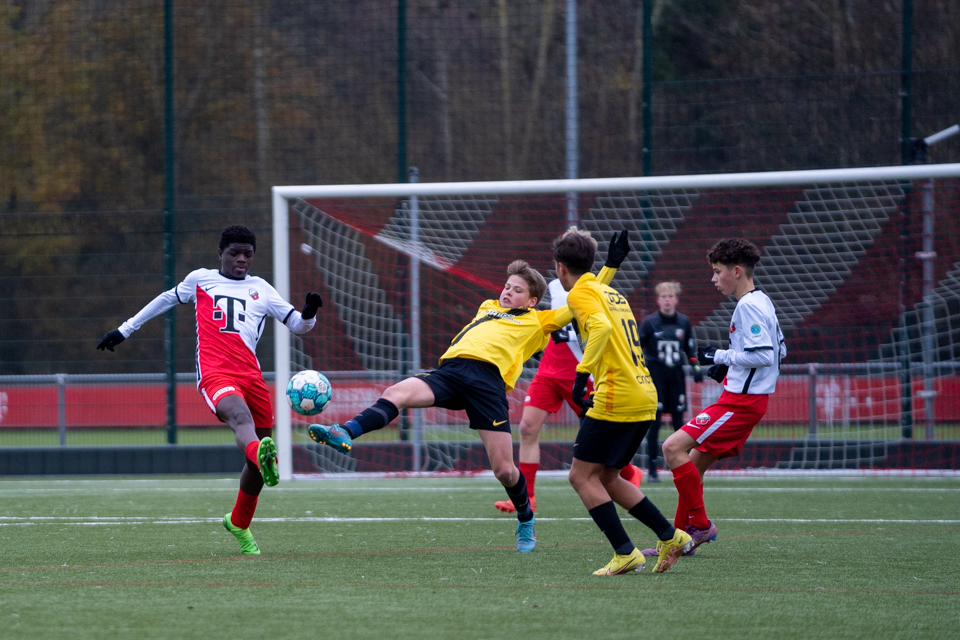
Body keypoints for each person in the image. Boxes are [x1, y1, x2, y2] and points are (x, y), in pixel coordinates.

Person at [308, 231, 632, 553]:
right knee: (397, 392)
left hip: (488, 385)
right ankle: (344, 431)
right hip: (452, 371)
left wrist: (610, 266)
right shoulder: (487, 306)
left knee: (504, 470)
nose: (508, 292)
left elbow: (582, 299)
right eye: (507, 286)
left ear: (532, 301)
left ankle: (526, 516)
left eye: (517, 290)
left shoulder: (540, 321)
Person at [96, 225, 323, 556]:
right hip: (216, 374)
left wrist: (310, 312)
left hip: (252, 377)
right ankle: (262, 457)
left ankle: (239, 522)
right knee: (242, 421)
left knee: (259, 460)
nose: (242, 259)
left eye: (247, 254)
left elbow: (298, 326)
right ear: (221, 253)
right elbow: (165, 299)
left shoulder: (261, 289)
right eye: (235, 253)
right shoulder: (200, 279)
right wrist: (125, 329)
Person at [556, 229, 693, 575]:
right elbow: (594, 293)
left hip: (616, 395)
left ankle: (625, 552)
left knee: (580, 476)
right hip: (644, 392)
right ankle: (671, 535)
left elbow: (600, 327)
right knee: (608, 476)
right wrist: (611, 266)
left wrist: (581, 375)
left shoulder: (580, 294)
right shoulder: (609, 290)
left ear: (560, 268)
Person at [650, 238, 785, 558]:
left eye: (717, 271)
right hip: (743, 397)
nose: (713, 278)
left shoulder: (748, 306)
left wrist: (720, 356)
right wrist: (729, 369)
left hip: (741, 402)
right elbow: (780, 350)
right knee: (693, 465)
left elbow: (764, 355)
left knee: (672, 448)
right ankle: (680, 539)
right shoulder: (762, 300)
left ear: (736, 271)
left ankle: (700, 525)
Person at [492, 275, 643, 515]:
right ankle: (527, 496)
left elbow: (600, 328)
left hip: (580, 372)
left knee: (599, 437)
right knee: (528, 427)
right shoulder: (554, 285)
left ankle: (629, 472)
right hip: (549, 371)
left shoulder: (593, 289)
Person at [638, 281, 702, 483]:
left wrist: (695, 367)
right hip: (655, 378)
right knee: (654, 423)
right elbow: (637, 349)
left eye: (670, 297)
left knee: (678, 424)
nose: (667, 300)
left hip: (676, 378)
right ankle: (652, 470)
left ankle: (688, 467)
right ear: (658, 300)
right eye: (663, 297)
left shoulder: (683, 321)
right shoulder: (649, 322)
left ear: (676, 299)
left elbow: (689, 349)